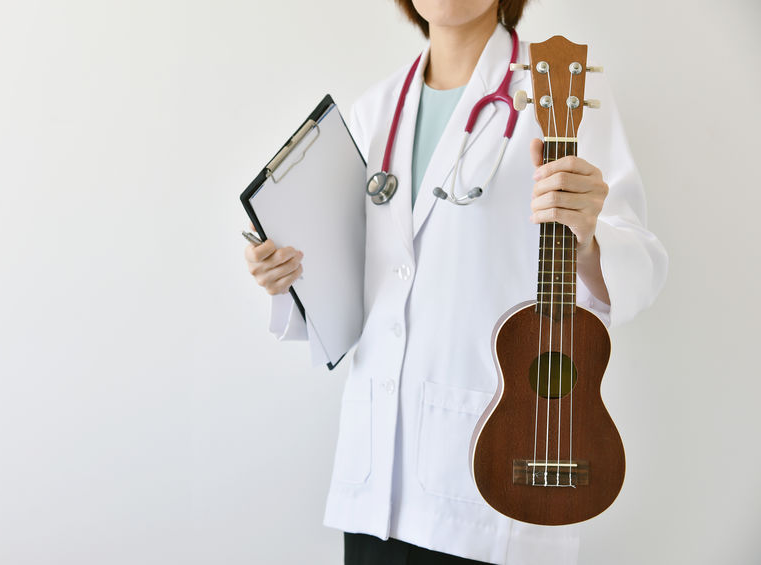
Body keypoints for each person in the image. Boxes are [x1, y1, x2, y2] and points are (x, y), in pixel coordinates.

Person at [243, 1, 667, 563]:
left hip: (496, 478)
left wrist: (588, 238)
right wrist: (286, 277)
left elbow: (641, 261)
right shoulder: (376, 112)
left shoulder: (558, 89)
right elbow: (356, 292)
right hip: (375, 483)